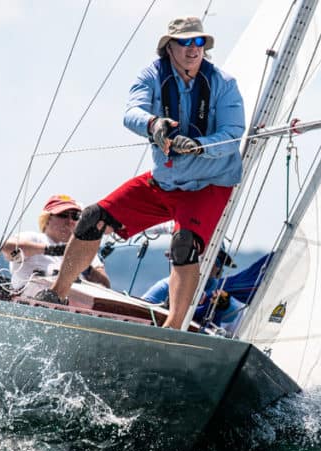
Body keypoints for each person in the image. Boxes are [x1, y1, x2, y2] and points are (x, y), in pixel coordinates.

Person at [34, 16, 245, 329]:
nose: (192, 49)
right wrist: (152, 125)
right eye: (185, 42)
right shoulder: (151, 75)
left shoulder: (223, 84)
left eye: (199, 42)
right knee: (93, 217)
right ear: (169, 47)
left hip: (208, 185)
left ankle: (172, 329)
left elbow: (233, 133)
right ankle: (57, 295)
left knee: (184, 244)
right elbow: (131, 112)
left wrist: (199, 146)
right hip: (165, 181)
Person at [2, 194, 110, 290]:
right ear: (47, 219)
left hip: (72, 303)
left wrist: (85, 267)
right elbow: (7, 248)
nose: (70, 221)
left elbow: (105, 286)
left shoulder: (85, 248)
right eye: (63, 215)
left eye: (75, 216)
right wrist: (52, 250)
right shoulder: (33, 238)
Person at [141, 246, 244, 332]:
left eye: (216, 261)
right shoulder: (167, 285)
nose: (207, 263)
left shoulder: (220, 290)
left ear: (219, 269)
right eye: (200, 257)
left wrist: (224, 304)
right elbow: (143, 305)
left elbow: (233, 315)